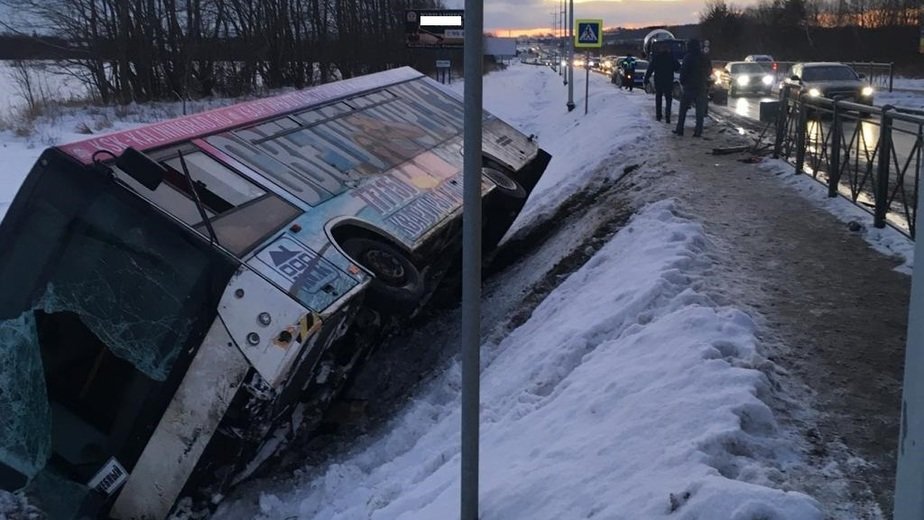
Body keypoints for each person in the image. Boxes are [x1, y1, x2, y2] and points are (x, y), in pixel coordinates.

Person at [673, 39, 712, 137]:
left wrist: (683, 81)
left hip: (689, 87)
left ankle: (680, 129)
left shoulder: (688, 57)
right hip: (701, 86)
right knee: (700, 111)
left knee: (683, 109)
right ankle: (698, 131)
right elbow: (709, 70)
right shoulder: (704, 57)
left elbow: (684, 71)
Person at [644, 44, 680, 124]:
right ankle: (668, 117)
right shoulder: (671, 58)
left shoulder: (656, 58)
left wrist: (646, 79)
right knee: (668, 99)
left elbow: (650, 69)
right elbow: (678, 67)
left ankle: (658, 116)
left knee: (658, 98)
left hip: (659, 81)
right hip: (668, 81)